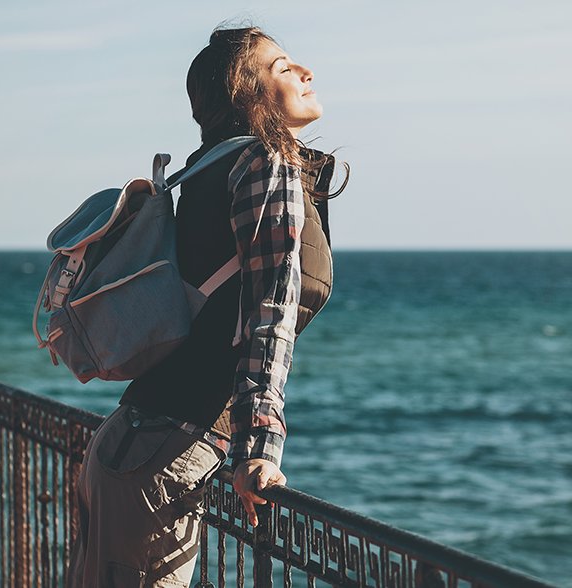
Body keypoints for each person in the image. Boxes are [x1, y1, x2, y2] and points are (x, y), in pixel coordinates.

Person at [67, 25, 347, 587]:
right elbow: (267, 318)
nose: (306, 72)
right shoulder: (264, 166)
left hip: (134, 446)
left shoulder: (205, 168)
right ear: (248, 92)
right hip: (161, 460)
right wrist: (261, 449)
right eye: (284, 67)